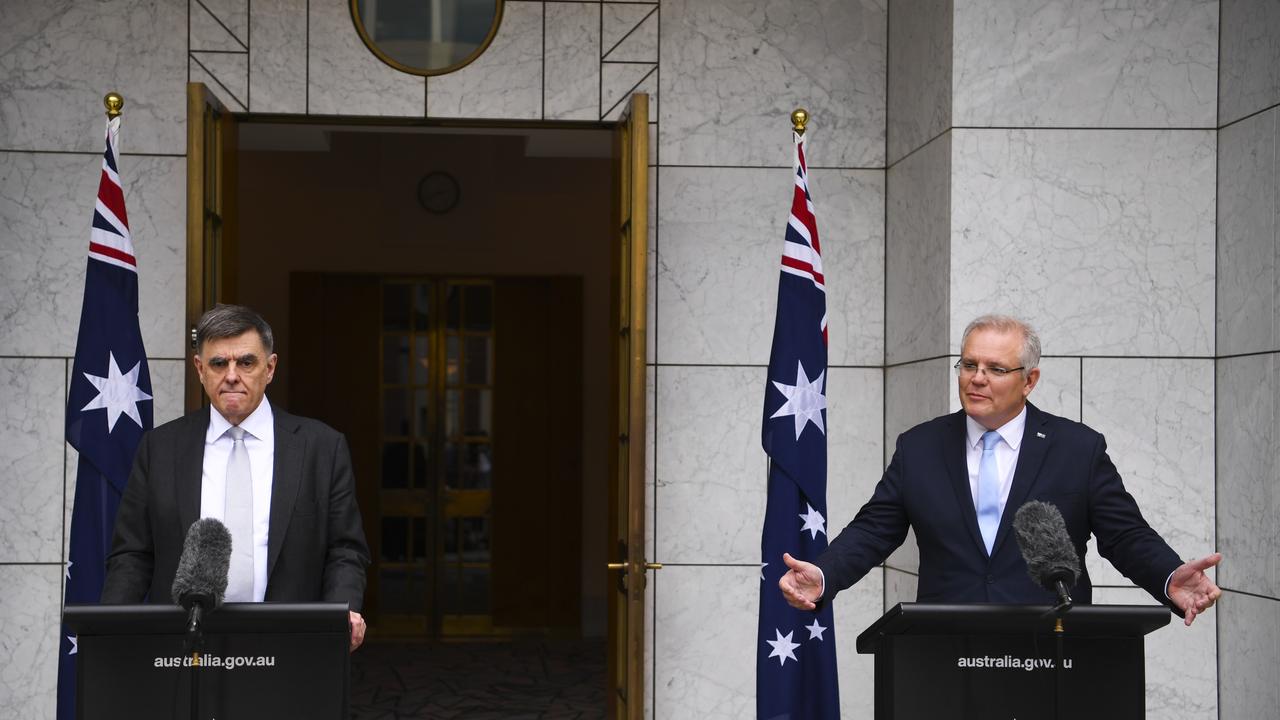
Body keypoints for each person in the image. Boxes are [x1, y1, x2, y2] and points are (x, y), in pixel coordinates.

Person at [779, 314, 1222, 626]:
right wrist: (823, 574)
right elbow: (874, 530)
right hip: (945, 646)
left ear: (1029, 380)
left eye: (995, 368)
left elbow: (1124, 536)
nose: (977, 377)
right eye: (969, 364)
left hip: (1051, 644)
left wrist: (1168, 576)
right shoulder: (920, 447)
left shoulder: (1077, 448)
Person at [102, 304, 371, 651]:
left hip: (292, 646)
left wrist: (343, 611)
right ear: (200, 369)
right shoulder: (161, 448)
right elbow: (133, 554)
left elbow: (345, 549)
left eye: (246, 362)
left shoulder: (321, 447)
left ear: (270, 368)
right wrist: (108, 629)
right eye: (218, 363)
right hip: (186, 648)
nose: (232, 375)